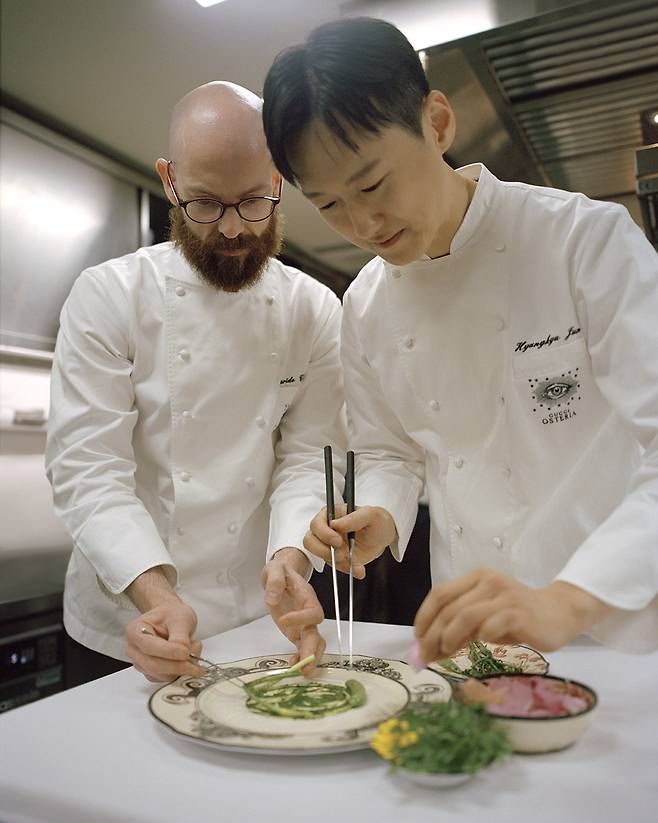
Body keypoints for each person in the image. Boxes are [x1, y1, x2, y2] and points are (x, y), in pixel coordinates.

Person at [261, 18, 658, 664]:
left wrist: (569, 597)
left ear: (437, 123)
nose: (363, 223)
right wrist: (379, 516)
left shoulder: (584, 243)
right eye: (330, 205)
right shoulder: (363, 305)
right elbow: (390, 450)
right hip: (473, 640)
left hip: (616, 633)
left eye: (372, 184)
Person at [46, 81, 345, 686]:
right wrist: (156, 597)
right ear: (170, 181)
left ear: (280, 180)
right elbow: (89, 468)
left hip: (254, 619)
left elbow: (312, 456)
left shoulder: (313, 310)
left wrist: (292, 557)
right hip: (126, 624)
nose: (233, 230)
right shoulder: (108, 296)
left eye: (254, 201)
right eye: (206, 204)